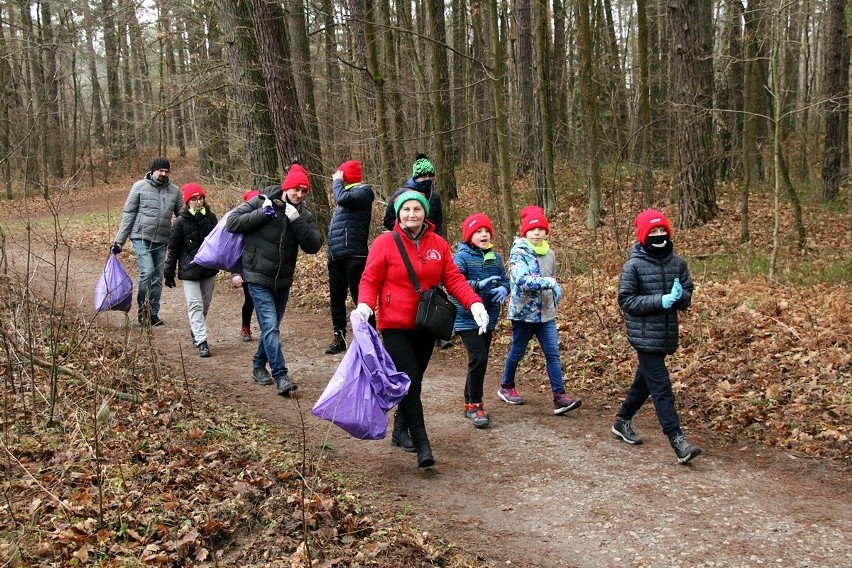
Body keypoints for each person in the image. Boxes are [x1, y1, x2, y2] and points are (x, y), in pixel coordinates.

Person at [355, 190, 488, 468]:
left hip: (427, 324)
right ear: (398, 213)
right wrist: (365, 306)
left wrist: (474, 304)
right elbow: (370, 280)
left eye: (417, 209)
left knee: (411, 382)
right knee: (411, 381)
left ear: (425, 212)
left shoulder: (437, 244)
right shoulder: (384, 243)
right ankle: (422, 443)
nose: (411, 214)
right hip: (395, 326)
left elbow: (453, 279)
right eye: (406, 210)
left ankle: (400, 430)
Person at [226, 163, 323, 396]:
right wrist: (262, 213)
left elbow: (314, 246)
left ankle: (258, 365)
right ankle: (281, 376)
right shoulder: (261, 202)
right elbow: (233, 223)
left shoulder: (303, 215)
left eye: (303, 191)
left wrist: (296, 220)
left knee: (272, 328)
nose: (298, 195)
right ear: (285, 187)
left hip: (283, 280)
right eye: (295, 190)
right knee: (269, 326)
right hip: (257, 276)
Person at [613, 209, 700, 464]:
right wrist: (660, 301)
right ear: (643, 236)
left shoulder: (678, 263)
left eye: (662, 231)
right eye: (653, 232)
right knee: (661, 386)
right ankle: (677, 440)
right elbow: (626, 300)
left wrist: (679, 297)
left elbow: (687, 293)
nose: (659, 235)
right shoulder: (634, 265)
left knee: (645, 381)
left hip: (665, 335)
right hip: (643, 335)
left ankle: (622, 420)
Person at [498, 206, 582, 415]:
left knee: (553, 354)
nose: (536, 233)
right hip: (523, 314)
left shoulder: (550, 254)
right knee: (517, 351)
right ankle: (506, 386)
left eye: (540, 229)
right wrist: (550, 283)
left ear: (546, 232)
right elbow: (521, 280)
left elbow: (550, 278)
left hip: (546, 314)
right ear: (525, 232)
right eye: (532, 229)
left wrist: (553, 294)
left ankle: (559, 396)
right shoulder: (519, 252)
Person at [451, 213, 509, 428]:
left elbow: (505, 279)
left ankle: (469, 403)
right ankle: (476, 405)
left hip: (489, 318)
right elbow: (453, 285)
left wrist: (505, 288)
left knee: (479, 361)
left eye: (486, 231)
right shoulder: (462, 257)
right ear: (469, 236)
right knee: (479, 358)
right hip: (465, 317)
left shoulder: (496, 257)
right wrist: (477, 285)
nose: (484, 235)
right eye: (478, 231)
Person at [112, 157, 183, 326]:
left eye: (167, 171)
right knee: (147, 271)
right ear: (153, 171)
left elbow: (183, 217)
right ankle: (143, 309)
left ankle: (153, 314)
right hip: (141, 236)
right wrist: (119, 241)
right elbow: (129, 213)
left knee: (157, 277)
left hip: (162, 239)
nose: (164, 174)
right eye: (161, 171)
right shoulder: (139, 187)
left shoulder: (174, 191)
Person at [325, 160, 375, 354]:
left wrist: (337, 182)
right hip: (336, 257)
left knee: (360, 298)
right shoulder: (347, 196)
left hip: (355, 255)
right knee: (336, 300)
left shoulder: (363, 192)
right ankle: (339, 337)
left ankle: (370, 336)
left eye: (340, 176)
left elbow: (342, 198)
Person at [163, 183, 219, 357]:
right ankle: (202, 341)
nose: (198, 202)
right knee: (195, 305)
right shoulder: (180, 221)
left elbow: (220, 242)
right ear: (188, 202)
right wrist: (169, 271)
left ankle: (196, 331)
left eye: (200, 198)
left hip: (209, 269)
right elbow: (173, 248)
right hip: (189, 270)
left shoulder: (211, 218)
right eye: (194, 199)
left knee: (204, 306)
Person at [382, 153, 444, 237]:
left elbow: (438, 226)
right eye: (424, 176)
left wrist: (441, 242)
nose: (427, 179)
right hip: (404, 239)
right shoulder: (400, 195)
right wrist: (407, 228)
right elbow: (388, 221)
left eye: (430, 176)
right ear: (416, 177)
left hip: (428, 240)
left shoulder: (434, 197)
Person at [233, 189, 261, 342]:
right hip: (246, 268)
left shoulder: (267, 220)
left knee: (265, 301)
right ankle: (246, 326)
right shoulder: (241, 226)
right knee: (250, 299)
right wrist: (236, 273)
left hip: (264, 268)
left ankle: (269, 330)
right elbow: (234, 252)